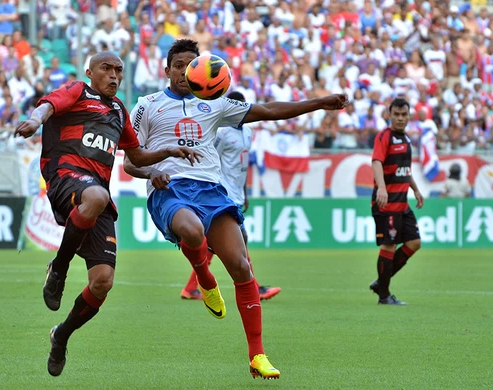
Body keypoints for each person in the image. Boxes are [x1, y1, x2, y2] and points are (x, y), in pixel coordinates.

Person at [123, 39, 347, 380]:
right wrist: (154, 172)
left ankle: (257, 355)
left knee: (242, 268)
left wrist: (319, 104)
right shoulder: (146, 106)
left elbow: (269, 111)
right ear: (166, 69)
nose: (185, 71)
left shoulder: (214, 104)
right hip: (170, 188)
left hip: (213, 190)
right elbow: (130, 162)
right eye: (179, 64)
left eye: (191, 64)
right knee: (192, 230)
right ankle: (204, 277)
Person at [14, 51, 201, 377]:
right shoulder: (78, 91)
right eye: (106, 69)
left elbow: (137, 156)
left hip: (95, 201)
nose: (114, 76)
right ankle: (58, 268)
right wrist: (35, 119)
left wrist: (167, 152)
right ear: (90, 72)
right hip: (65, 179)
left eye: (119, 70)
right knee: (98, 195)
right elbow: (49, 103)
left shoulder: (118, 111)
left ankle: (61, 335)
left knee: (102, 282)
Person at [180, 91, 282, 302]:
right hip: (222, 191)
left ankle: (192, 287)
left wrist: (244, 191)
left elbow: (242, 165)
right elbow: (209, 156)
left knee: (221, 242)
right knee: (239, 239)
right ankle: (255, 287)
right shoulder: (222, 133)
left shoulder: (247, 133)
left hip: (237, 191)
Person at [369, 98, 424, 306]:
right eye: (396, 115)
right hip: (387, 203)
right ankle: (384, 295)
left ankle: (381, 282)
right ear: (389, 115)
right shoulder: (384, 137)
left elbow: (405, 170)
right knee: (389, 245)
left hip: (403, 203)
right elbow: (376, 162)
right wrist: (381, 187)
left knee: (414, 243)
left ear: (409, 116)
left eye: (404, 115)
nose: (400, 119)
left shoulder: (407, 139)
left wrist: (416, 189)